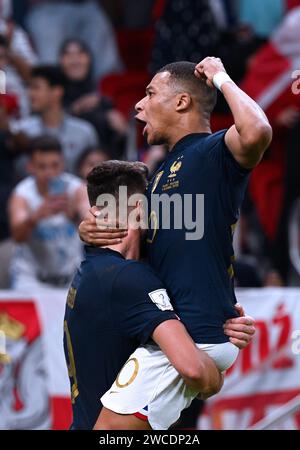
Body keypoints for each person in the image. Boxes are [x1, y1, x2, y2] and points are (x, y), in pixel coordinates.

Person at [80, 57, 271, 429]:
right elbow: (138, 248)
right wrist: (89, 232)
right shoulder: (160, 172)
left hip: (192, 336)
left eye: (150, 93)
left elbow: (257, 130)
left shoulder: (216, 152)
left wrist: (220, 78)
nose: (138, 104)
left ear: (182, 102)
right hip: (175, 332)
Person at [64, 160, 253, 431]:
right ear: (141, 209)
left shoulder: (93, 270)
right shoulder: (129, 279)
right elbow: (196, 372)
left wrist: (228, 327)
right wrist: (215, 373)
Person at [8, 135, 89, 291]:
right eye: (42, 167)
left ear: (63, 164)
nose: (49, 173)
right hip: (31, 280)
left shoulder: (77, 189)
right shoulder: (22, 195)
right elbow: (17, 236)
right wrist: (35, 217)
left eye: (54, 166)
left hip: (71, 280)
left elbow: (94, 228)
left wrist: (73, 217)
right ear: (30, 166)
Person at [10, 65, 99, 174]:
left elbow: (95, 172)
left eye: (36, 88)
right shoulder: (21, 130)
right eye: (29, 88)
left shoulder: (84, 132)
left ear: (57, 92)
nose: (30, 93)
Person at [59, 38, 128, 159]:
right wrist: (73, 110)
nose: (75, 60)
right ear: (60, 61)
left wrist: (121, 131)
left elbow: (119, 146)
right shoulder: (54, 94)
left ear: (89, 59)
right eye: (68, 55)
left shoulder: (102, 102)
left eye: (80, 54)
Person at [25, 0, 122, 80]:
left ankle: (103, 98)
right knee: (50, 65)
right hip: (47, 6)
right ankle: (55, 99)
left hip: (85, 4)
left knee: (107, 66)